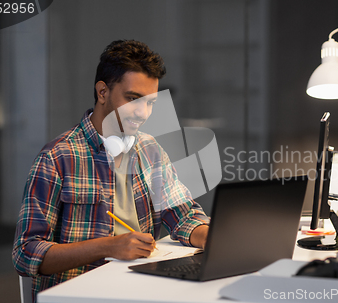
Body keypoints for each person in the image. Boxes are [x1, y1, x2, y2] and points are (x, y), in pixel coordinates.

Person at [12, 40, 210, 301]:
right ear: (102, 92)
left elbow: (184, 217)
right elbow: (26, 254)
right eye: (132, 99)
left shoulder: (150, 151)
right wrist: (108, 247)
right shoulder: (57, 158)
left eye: (150, 102)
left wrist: (217, 238)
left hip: (140, 290)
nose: (142, 113)